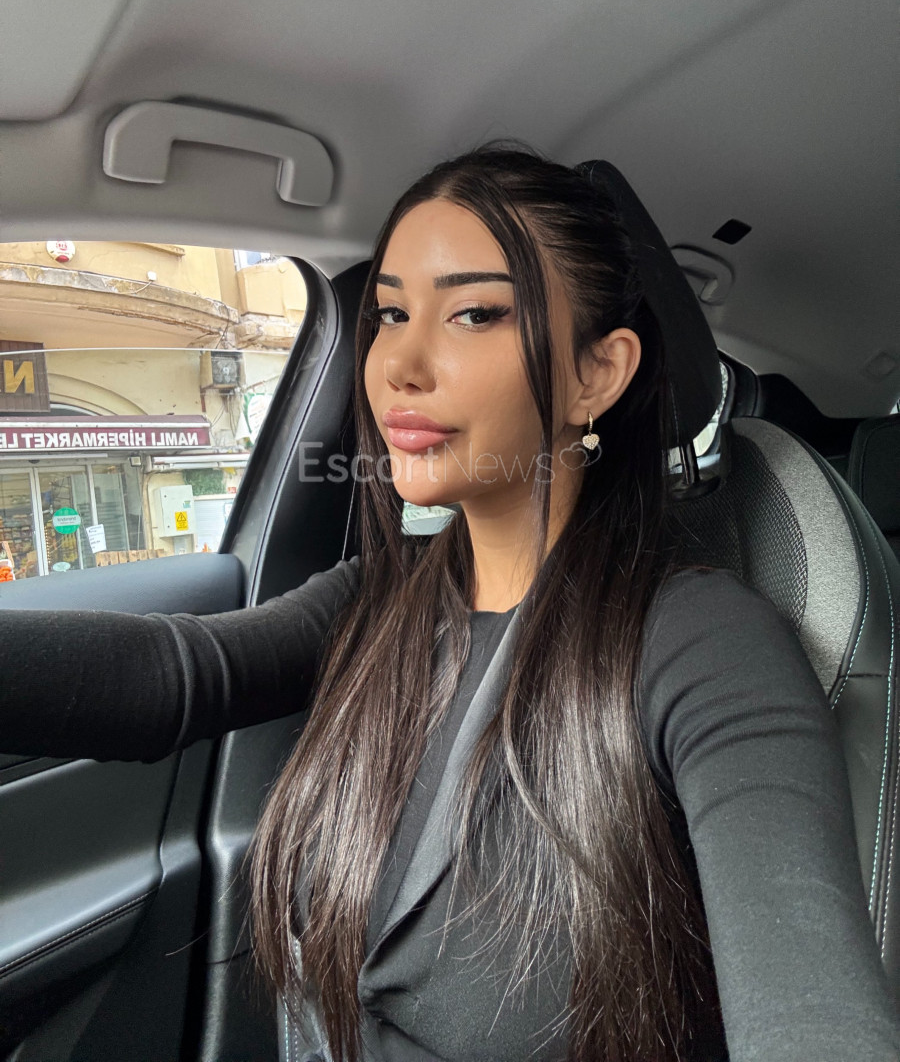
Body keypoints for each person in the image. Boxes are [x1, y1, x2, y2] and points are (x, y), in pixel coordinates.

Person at [2, 145, 899, 1062]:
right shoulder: (379, 602)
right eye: (392, 313)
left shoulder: (702, 647)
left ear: (597, 374)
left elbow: (812, 1016)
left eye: (474, 313)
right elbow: (171, 676)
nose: (400, 363)